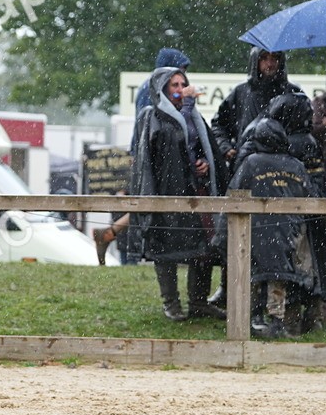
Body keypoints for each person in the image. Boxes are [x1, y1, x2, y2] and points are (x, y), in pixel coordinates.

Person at [131, 66, 227, 321]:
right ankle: (171, 303)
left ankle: (198, 302)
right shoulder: (152, 116)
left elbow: (197, 146)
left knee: (204, 247)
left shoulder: (195, 116)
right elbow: (167, 144)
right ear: (162, 89)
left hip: (197, 192)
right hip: (167, 192)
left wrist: (205, 164)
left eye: (182, 84)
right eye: (173, 85)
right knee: (166, 249)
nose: (179, 89)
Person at [213, 118, 313, 338]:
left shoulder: (251, 163)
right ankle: (277, 322)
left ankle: (245, 323)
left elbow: (233, 195)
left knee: (252, 278)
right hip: (287, 234)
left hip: (255, 233)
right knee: (279, 277)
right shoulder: (295, 165)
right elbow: (310, 197)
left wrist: (221, 235)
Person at [97, 48, 194, 265]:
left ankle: (113, 236)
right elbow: (157, 121)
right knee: (150, 201)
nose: (183, 76)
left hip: (148, 152)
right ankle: (117, 240)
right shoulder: (152, 90)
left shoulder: (147, 87)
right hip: (153, 154)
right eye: (180, 69)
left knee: (149, 201)